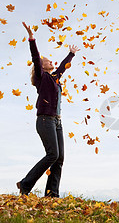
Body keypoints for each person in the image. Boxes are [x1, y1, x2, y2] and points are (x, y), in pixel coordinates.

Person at [17, 22, 80, 197]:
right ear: (43, 66)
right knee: (52, 154)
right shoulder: (41, 77)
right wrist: (31, 38)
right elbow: (36, 57)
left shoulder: (54, 78)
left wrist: (71, 55)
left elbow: (62, 68)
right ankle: (25, 184)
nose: (51, 62)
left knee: (59, 158)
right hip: (45, 120)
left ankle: (52, 194)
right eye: (48, 61)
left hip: (57, 121)